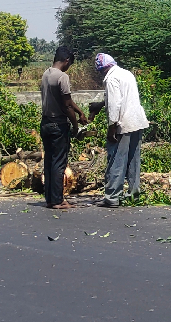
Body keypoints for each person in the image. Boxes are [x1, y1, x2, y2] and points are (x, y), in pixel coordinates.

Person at [91, 53, 149, 207]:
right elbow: (123, 97)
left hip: (123, 124)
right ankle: (133, 195)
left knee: (117, 160)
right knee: (133, 161)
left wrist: (112, 128)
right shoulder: (126, 74)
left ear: (102, 69)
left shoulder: (110, 79)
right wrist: (101, 104)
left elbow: (115, 105)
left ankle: (112, 198)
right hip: (137, 122)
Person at [39, 46, 88, 210]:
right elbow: (66, 105)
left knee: (49, 161)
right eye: (69, 64)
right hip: (58, 124)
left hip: (45, 123)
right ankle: (58, 200)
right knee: (59, 163)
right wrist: (75, 125)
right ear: (66, 61)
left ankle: (50, 199)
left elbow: (66, 100)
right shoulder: (62, 77)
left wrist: (80, 111)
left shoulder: (46, 74)